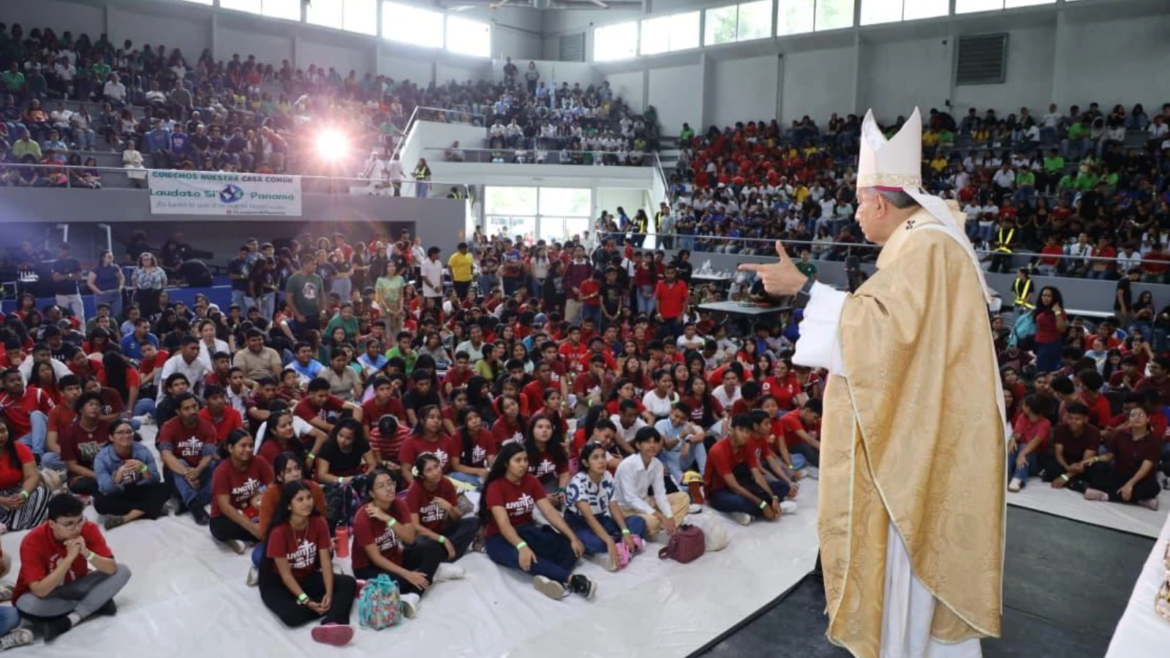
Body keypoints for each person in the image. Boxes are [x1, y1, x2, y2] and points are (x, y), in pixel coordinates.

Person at [740, 107, 1005, 655]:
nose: (857, 215)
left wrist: (804, 288)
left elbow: (882, 337)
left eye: (859, 203)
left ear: (879, 202)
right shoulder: (925, 244)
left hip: (914, 449)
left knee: (906, 570)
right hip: (923, 427)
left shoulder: (926, 249)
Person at [480, 443, 596, 601]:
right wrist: (522, 546)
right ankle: (572, 580)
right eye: (518, 460)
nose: (523, 464)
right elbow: (504, 524)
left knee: (570, 549)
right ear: (506, 463)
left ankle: (549, 578)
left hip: (527, 530)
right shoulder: (495, 486)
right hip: (500, 538)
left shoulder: (531, 481)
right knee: (528, 558)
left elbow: (549, 512)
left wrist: (573, 537)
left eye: (525, 460)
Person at [12, 493, 132, 642]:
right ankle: (96, 603)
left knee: (122, 571)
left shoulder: (88, 528)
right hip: (48, 596)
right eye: (69, 524)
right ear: (51, 524)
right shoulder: (32, 541)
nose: (76, 529)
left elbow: (111, 569)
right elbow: (39, 591)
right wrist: (69, 559)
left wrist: (87, 553)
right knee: (27, 604)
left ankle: (72, 618)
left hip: (76, 586)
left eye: (79, 520)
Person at [352, 467, 463, 618]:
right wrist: (407, 574)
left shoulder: (398, 503)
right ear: (372, 493)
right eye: (381, 486)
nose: (388, 488)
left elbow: (410, 539)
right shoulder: (362, 518)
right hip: (368, 567)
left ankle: (413, 596)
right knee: (400, 584)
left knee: (434, 548)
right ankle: (430, 573)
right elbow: (375, 558)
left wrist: (388, 519)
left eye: (390, 483)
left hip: (395, 556)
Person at [259, 481, 356, 646]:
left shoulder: (319, 522)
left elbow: (325, 562)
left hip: (306, 575)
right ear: (289, 505)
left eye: (309, 497)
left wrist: (330, 594)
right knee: (291, 617)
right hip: (277, 583)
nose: (307, 503)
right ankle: (331, 604)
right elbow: (286, 576)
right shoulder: (279, 532)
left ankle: (331, 624)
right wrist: (307, 601)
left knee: (348, 582)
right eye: (300, 499)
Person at [565, 442, 646, 571]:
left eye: (603, 456)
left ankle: (622, 543)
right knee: (598, 544)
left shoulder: (607, 475)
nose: (601, 461)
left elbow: (613, 506)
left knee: (639, 521)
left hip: (602, 518)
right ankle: (624, 543)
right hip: (580, 522)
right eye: (595, 458)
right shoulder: (578, 481)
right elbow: (589, 518)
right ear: (586, 463)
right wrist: (608, 541)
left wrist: (625, 531)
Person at [705, 414, 791, 526]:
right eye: (741, 430)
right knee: (743, 502)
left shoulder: (747, 445)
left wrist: (772, 497)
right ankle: (768, 508)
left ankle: (764, 508)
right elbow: (733, 486)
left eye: (748, 432)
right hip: (719, 491)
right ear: (731, 430)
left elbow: (757, 476)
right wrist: (762, 504)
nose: (745, 435)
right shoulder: (718, 450)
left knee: (783, 487)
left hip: (742, 484)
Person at [613, 426, 691, 539]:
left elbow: (660, 494)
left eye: (655, 442)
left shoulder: (657, 464)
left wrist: (668, 515)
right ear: (638, 445)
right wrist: (660, 516)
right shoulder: (627, 465)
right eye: (647, 442)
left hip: (646, 502)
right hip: (625, 510)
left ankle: (667, 525)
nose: (652, 445)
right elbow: (630, 499)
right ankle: (663, 526)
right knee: (653, 520)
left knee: (683, 497)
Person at [93, 419, 169, 530]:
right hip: (119, 493)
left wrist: (143, 468)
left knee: (165, 487)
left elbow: (155, 479)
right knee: (100, 503)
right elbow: (106, 489)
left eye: (129, 432)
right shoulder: (102, 458)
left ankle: (126, 518)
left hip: (140, 489)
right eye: (120, 432)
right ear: (111, 437)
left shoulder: (142, 450)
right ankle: (151, 508)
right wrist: (118, 476)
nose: (126, 435)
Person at [406, 453, 480, 563]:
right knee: (419, 543)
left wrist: (449, 508)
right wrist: (442, 539)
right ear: (422, 475)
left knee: (474, 522)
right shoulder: (414, 489)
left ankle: (440, 555)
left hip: (442, 530)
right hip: (425, 535)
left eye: (436, 466)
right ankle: (445, 553)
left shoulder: (446, 483)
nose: (435, 472)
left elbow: (457, 519)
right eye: (429, 470)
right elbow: (415, 526)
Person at [1083, 406, 1162, 509]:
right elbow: (1108, 456)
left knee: (1153, 488)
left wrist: (1130, 484)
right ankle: (1140, 500)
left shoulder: (1154, 441)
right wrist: (1094, 459)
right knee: (1096, 468)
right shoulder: (1120, 435)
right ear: (1129, 419)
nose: (1137, 418)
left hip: (1140, 479)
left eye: (1141, 415)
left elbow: (1145, 469)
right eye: (1133, 415)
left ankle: (1106, 496)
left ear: (1148, 419)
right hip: (1119, 475)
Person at [157, 392, 218, 524]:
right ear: (177, 411)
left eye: (194, 406)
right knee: (180, 461)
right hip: (177, 474)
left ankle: (188, 503)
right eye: (186, 408)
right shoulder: (168, 427)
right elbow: (167, 456)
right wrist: (187, 474)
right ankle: (196, 507)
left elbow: (208, 455)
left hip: (199, 471)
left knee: (217, 467)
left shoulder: (208, 427)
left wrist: (198, 470)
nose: (192, 411)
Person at [210, 429, 274, 554]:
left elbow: (273, 486)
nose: (248, 449)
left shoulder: (259, 461)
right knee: (218, 528)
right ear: (230, 448)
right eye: (243, 446)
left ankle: (249, 538)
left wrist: (263, 495)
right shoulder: (221, 471)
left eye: (251, 446)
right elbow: (225, 506)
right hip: (229, 516)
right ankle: (249, 537)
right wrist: (252, 528)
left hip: (254, 509)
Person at [0, 419, 51, 531]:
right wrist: (3, 500)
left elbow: (33, 476)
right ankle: (18, 521)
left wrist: (23, 494)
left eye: (3, 431)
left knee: (41, 492)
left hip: (15, 493)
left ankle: (8, 524)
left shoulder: (19, 447)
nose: (1, 436)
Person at [1006, 395, 1052, 492]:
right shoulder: (1022, 417)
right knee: (1013, 446)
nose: (1021, 406)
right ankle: (1006, 473)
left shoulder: (1045, 423)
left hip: (1035, 459)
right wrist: (1013, 439)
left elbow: (1036, 441)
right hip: (1020, 455)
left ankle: (1018, 478)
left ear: (1028, 408)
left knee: (1024, 447)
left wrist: (1023, 453)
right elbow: (1017, 433)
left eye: (1023, 404)